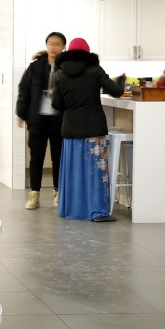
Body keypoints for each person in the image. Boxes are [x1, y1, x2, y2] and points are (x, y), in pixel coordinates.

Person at [52, 37, 124, 222]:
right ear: (88, 53)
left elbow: (56, 104)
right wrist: (121, 80)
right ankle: (97, 212)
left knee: (73, 171)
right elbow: (115, 91)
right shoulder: (95, 70)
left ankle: (69, 209)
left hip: (70, 129)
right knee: (95, 171)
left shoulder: (59, 74)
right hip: (93, 128)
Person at [15, 31, 67, 210]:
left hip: (59, 119)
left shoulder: (67, 67)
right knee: (36, 158)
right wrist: (21, 114)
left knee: (58, 157)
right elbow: (24, 90)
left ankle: (58, 192)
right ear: (46, 45)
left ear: (63, 47)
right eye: (51, 43)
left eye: (57, 44)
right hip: (37, 119)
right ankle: (34, 194)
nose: (53, 47)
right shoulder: (35, 67)